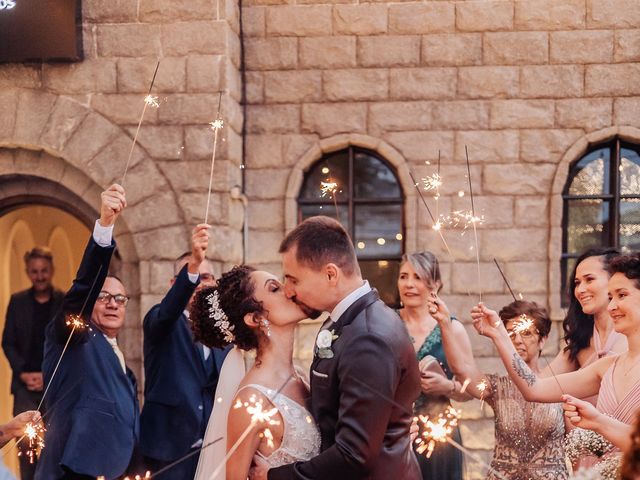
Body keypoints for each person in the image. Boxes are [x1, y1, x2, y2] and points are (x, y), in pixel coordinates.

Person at [251, 215, 421, 480]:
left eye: (293, 279)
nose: (288, 290)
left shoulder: (368, 338)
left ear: (331, 274)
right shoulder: (345, 321)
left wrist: (275, 476)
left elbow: (354, 454)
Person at [470, 252, 640, 473]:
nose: (611, 306)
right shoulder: (607, 367)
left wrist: (598, 422)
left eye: (621, 295)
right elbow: (534, 388)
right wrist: (499, 334)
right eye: (610, 297)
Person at [35, 184, 140, 480]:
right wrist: (106, 225)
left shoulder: (119, 359)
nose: (112, 304)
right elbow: (83, 290)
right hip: (71, 471)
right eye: (103, 297)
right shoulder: (73, 337)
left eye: (120, 299)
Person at [190, 265, 321, 480]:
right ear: (255, 318)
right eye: (274, 289)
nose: (288, 291)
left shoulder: (300, 377)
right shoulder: (252, 401)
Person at [432, 296, 569, 479]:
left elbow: (576, 445)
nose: (518, 340)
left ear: (542, 340)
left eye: (526, 333)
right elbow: (461, 369)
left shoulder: (559, 384)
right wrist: (444, 323)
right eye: (511, 334)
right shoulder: (495, 388)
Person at [139, 225, 229, 479]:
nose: (202, 284)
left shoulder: (224, 333)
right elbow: (167, 312)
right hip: (169, 452)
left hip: (214, 451)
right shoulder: (160, 320)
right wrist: (193, 267)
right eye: (194, 277)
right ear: (174, 283)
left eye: (207, 277)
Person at [396, 251, 471, 479]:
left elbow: (472, 389)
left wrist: (446, 387)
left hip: (439, 435)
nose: (409, 284)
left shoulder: (452, 328)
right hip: (395, 432)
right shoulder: (386, 322)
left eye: (418, 277)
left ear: (435, 284)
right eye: (403, 276)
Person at [2, 247, 64, 479]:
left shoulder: (63, 301)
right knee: (26, 445)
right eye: (34, 271)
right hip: (24, 386)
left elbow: (67, 344)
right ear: (28, 272)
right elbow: (7, 342)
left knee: (55, 443)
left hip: (54, 386)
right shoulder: (17, 302)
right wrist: (22, 373)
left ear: (51, 271)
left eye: (44, 271)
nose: (40, 276)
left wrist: (47, 375)